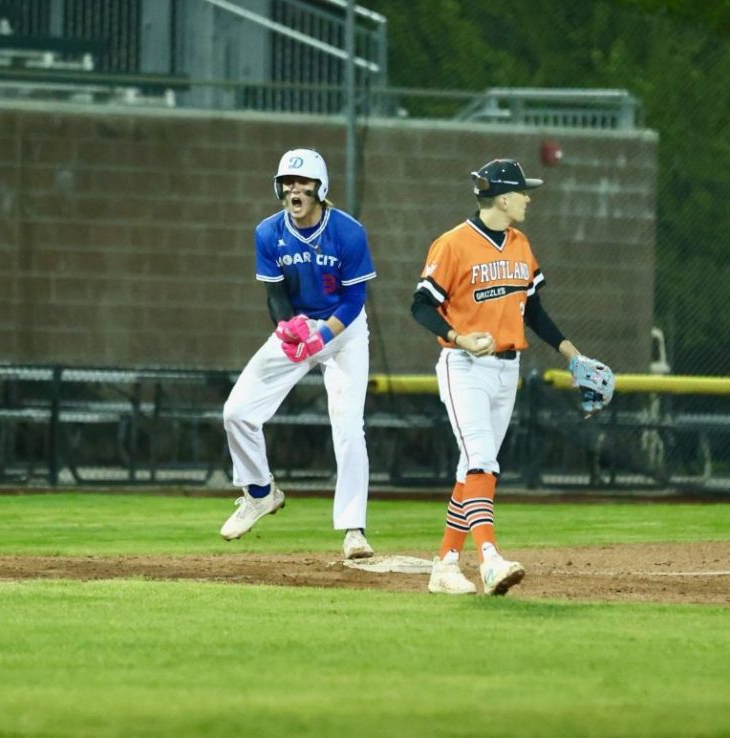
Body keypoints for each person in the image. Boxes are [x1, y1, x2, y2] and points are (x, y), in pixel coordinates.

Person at [411, 158, 612, 595]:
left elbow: (534, 311)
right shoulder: (453, 244)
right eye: (523, 192)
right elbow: (420, 305)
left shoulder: (520, 244)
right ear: (503, 198)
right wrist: (457, 338)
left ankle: (445, 565)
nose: (528, 199)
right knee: (483, 458)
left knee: (473, 468)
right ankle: (489, 560)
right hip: (464, 367)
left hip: (508, 370)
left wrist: (573, 356)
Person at [220, 148, 377, 560]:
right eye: (287, 182)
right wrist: (287, 328)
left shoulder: (348, 232)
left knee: (347, 428)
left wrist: (322, 336)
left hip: (342, 332)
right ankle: (259, 492)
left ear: (320, 188)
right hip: (299, 329)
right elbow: (274, 294)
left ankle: (353, 530)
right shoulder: (268, 233)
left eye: (302, 182)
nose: (294, 189)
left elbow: (354, 300)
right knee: (236, 412)